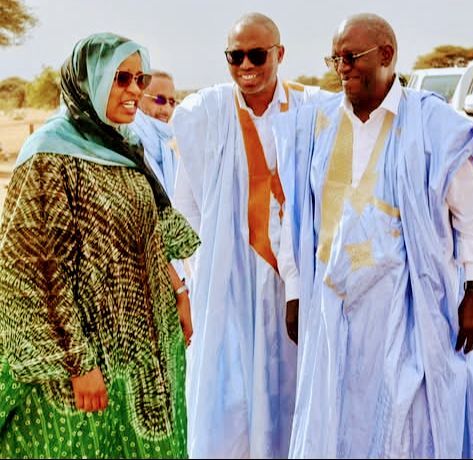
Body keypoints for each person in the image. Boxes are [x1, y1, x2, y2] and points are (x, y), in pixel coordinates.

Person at [276, 13, 473, 458]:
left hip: (410, 309)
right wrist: (296, 291)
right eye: (335, 59)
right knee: (336, 419)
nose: (342, 68)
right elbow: (296, 217)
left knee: (405, 421)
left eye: (351, 57)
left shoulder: (432, 124)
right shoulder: (315, 125)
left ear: (386, 55)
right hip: (334, 308)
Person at [0, 33, 199, 458]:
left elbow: (146, 235)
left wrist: (179, 289)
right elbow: (36, 269)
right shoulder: (49, 155)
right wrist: (77, 363)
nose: (135, 91)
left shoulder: (124, 147)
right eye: (121, 78)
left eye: (141, 79)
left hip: (142, 356)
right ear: (88, 80)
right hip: (81, 359)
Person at [171, 13, 318, 459]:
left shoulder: (311, 108)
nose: (246, 66)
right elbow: (186, 207)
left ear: (280, 54)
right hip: (228, 276)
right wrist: (196, 278)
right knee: (229, 390)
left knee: (291, 380)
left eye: (257, 55)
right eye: (236, 57)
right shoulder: (205, 114)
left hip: (292, 277)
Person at [131, 70, 180, 199]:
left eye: (172, 102)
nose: (167, 109)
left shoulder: (167, 146)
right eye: (159, 99)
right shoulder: (130, 139)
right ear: (139, 98)